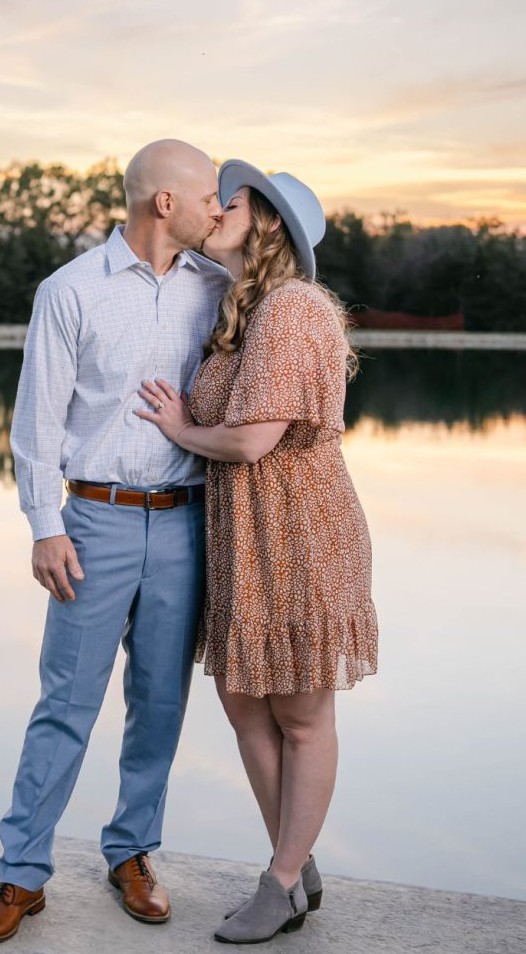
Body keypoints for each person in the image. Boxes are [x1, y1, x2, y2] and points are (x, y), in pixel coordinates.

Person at [0, 140, 230, 944]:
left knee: (159, 702)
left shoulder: (217, 291)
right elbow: (37, 419)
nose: (219, 209)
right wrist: (45, 526)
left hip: (187, 519)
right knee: (66, 704)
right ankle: (20, 874)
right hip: (94, 523)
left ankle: (132, 853)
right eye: (210, 195)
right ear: (164, 203)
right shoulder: (70, 290)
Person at [135, 160, 378, 944]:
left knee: (301, 712)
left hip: (300, 529)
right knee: (244, 699)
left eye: (229, 203)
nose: (216, 210)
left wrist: (178, 432)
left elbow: (249, 440)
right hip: (247, 530)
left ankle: (279, 882)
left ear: (268, 221)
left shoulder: (292, 309)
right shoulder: (249, 306)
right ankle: (294, 858)